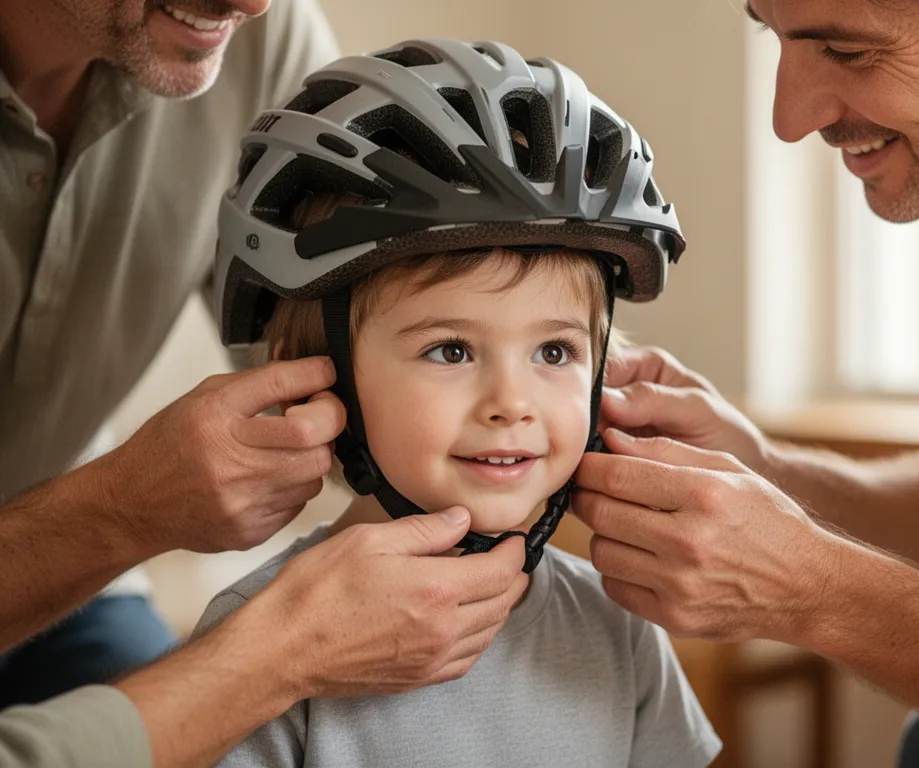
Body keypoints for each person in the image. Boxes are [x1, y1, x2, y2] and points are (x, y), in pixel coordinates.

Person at [0, 0, 527, 764]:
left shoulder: (254, 45)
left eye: (559, 352)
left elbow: (341, 348)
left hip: (76, 586)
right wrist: (118, 511)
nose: (253, 2)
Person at [193, 39, 721, 767]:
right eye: (451, 350)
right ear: (317, 378)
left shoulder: (618, 625)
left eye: (554, 352)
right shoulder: (258, 645)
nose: (512, 402)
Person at [571, 0, 919, 764]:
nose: (788, 118)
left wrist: (811, 589)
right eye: (773, 36)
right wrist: (765, 472)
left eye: (846, 51)